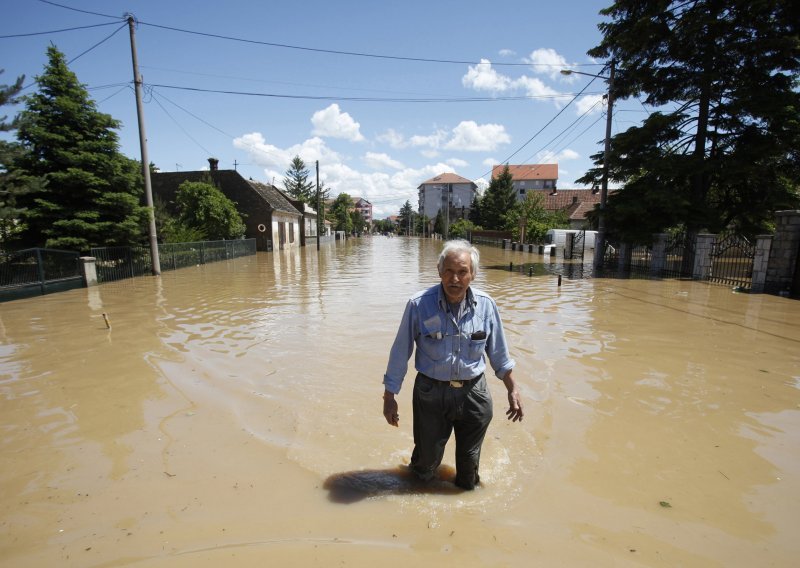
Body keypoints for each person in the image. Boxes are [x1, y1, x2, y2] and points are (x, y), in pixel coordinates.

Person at [382, 239, 523, 490]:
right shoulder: (418, 305)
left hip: (474, 393)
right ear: (439, 271)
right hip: (430, 393)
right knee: (426, 463)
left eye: (462, 272)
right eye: (449, 271)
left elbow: (499, 353)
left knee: (469, 469)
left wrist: (512, 388)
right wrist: (389, 395)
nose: (454, 279)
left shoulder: (486, 306)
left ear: (473, 274)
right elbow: (400, 351)